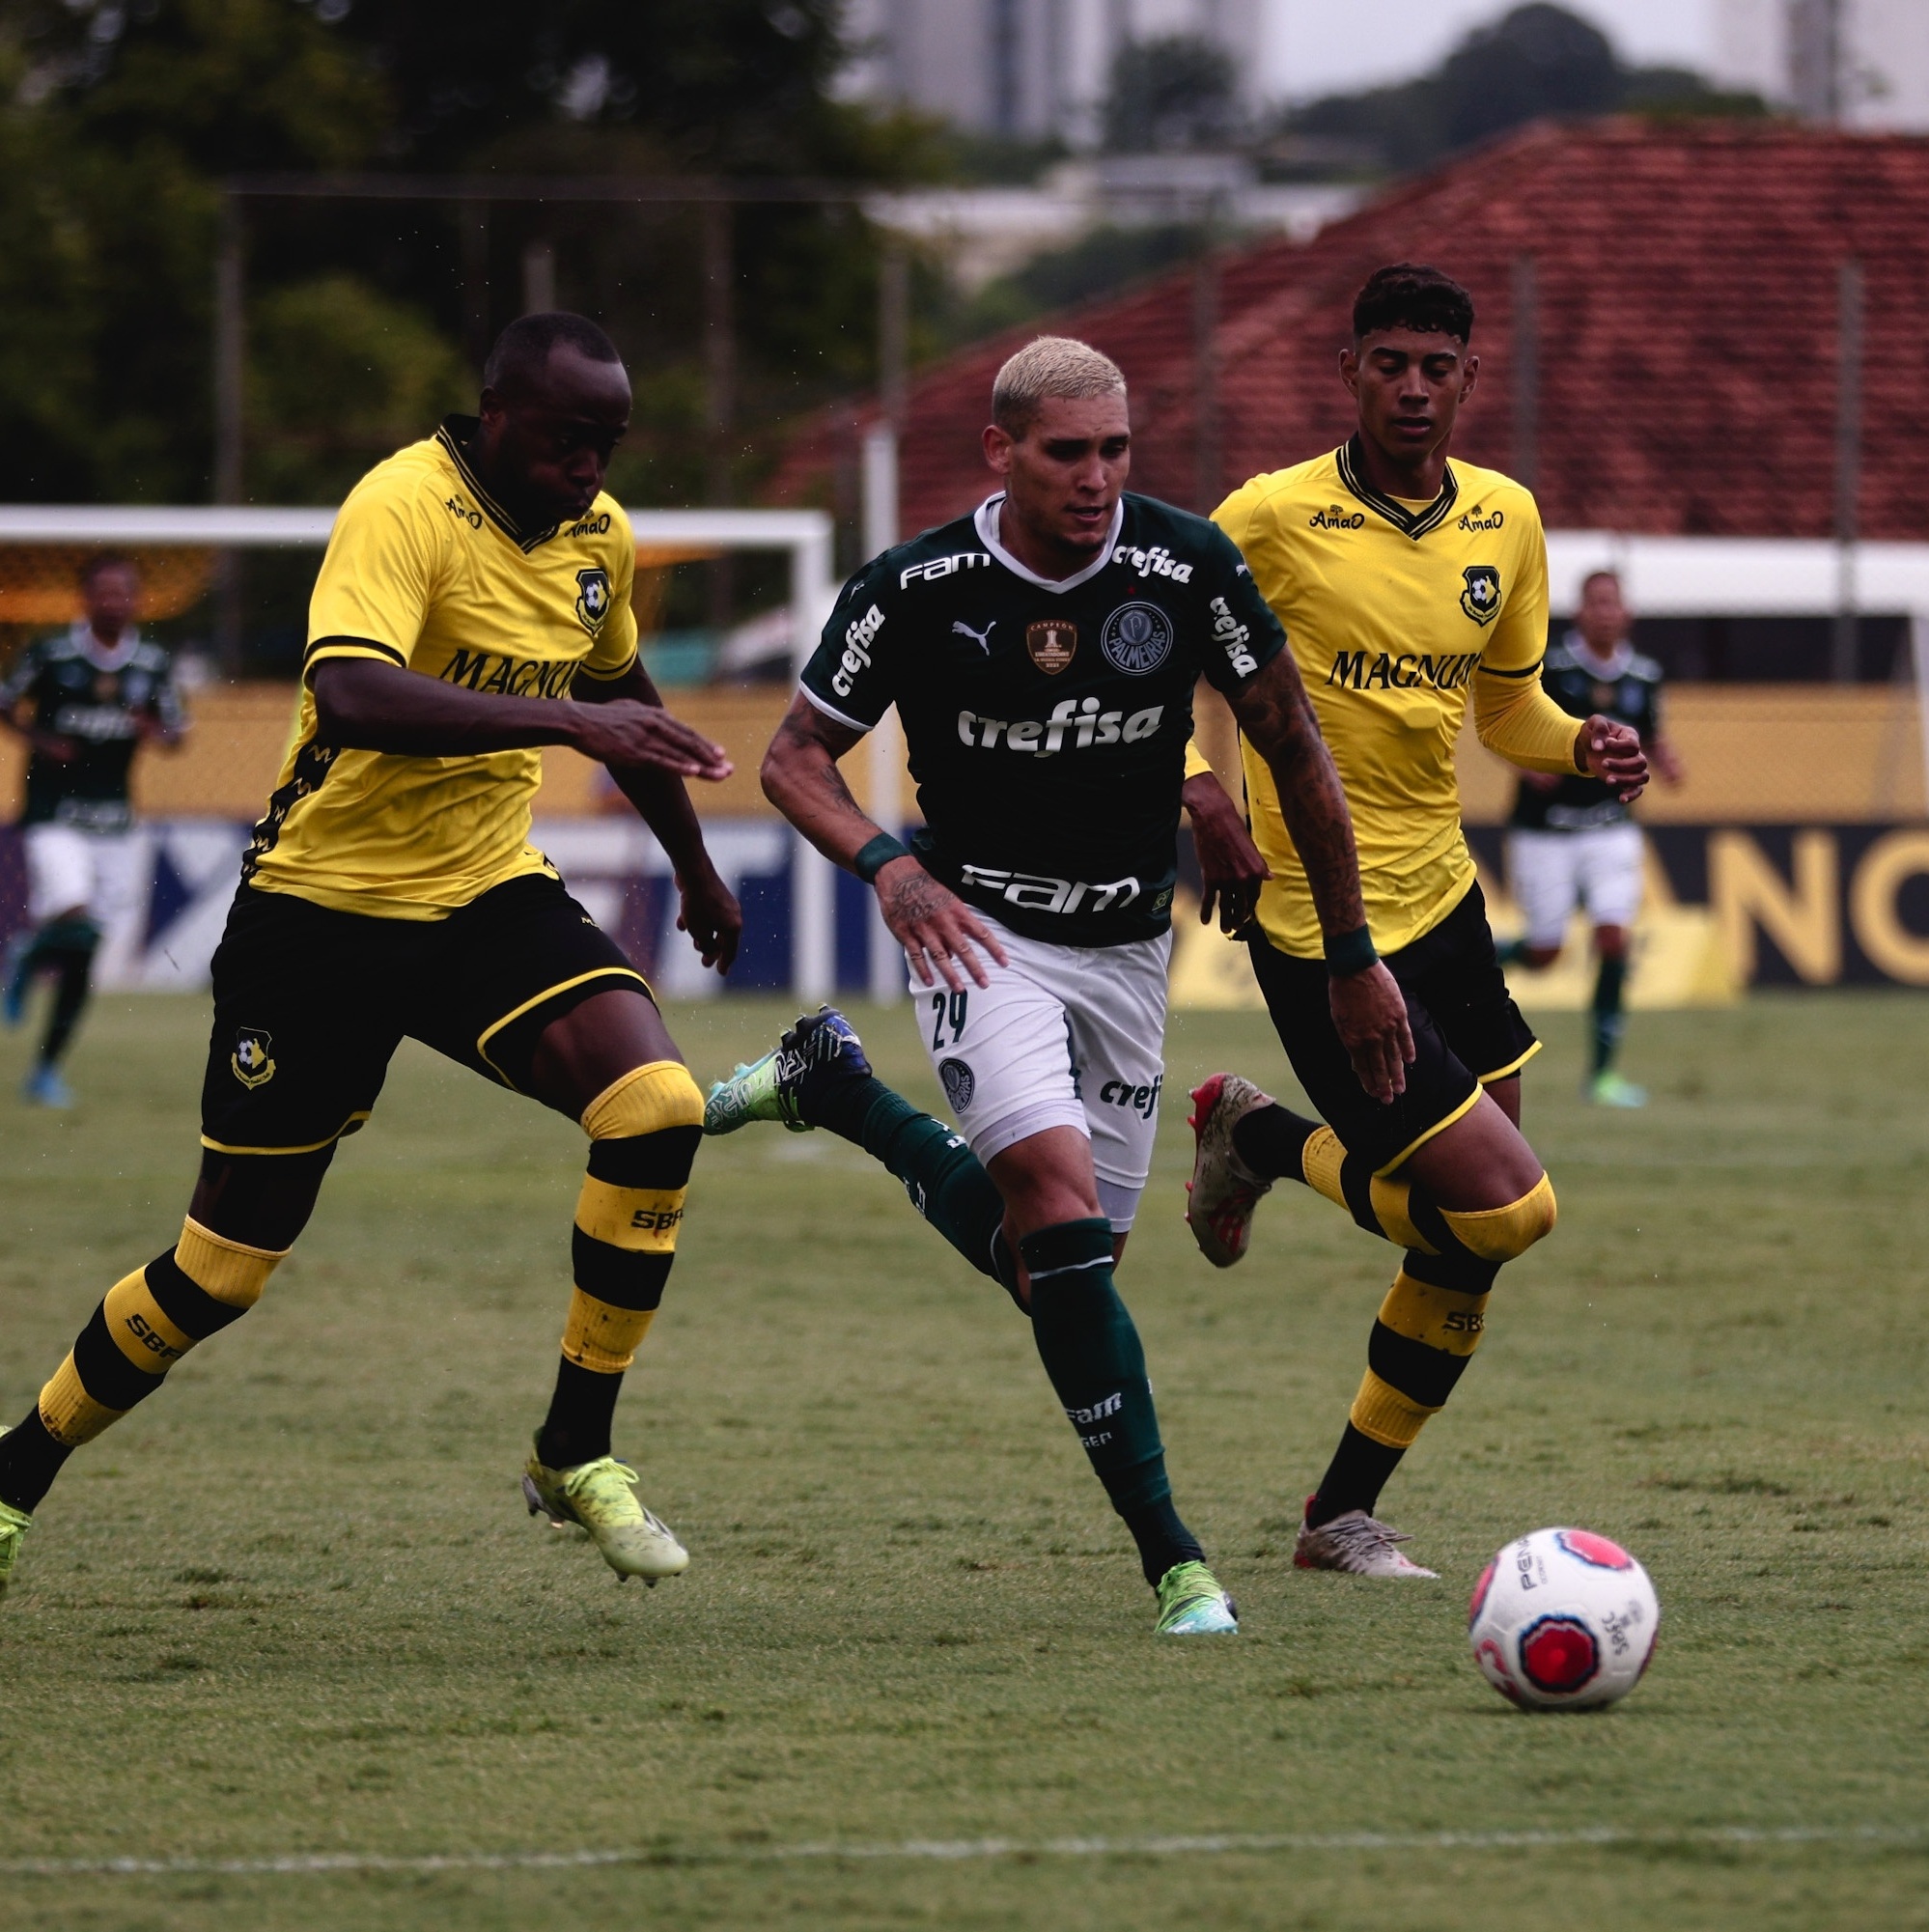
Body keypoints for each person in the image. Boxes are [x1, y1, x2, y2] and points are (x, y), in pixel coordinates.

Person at [0, 313, 744, 1600]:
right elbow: (352, 692)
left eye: (609, 443)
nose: (591, 467)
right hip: (318, 916)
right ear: (496, 413)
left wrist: (692, 863)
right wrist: (564, 718)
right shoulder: (401, 506)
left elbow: (632, 719)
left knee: (656, 1103)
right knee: (219, 1271)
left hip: (481, 895)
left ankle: (573, 1449)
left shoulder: (598, 542)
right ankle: (17, 1468)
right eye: (571, 440)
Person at [705, 336, 1409, 1636]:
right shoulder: (914, 586)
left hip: (1129, 949)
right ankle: (1175, 1562)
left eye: (1115, 450)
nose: (1095, 479)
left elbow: (1293, 745)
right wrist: (889, 872)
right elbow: (795, 759)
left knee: (1060, 1270)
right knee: (1060, 1224)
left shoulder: (1185, 566)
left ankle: (840, 1092)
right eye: (1066, 452)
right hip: (979, 937)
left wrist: (1347, 946)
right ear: (1001, 451)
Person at [1185, 265, 1648, 1578]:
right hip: (1318, 926)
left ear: (1466, 379)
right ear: (1348, 372)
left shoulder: (1505, 518)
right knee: (1504, 1209)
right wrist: (1199, 785)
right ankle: (1261, 1138)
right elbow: (1141, 649)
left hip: (1441, 898)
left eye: (1433, 366)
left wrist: (1582, 741)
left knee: (1465, 1242)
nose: (1409, 386)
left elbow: (1507, 712)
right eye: (1385, 361)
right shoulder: (1268, 516)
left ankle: (1338, 1514)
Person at [1, 555, 185, 1106]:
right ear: (85, 598)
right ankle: (29, 952)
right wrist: (41, 740)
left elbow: (176, 733)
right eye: (103, 593)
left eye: (124, 593)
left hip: (116, 822)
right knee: (75, 912)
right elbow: (6, 702)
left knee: (86, 951)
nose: (114, 602)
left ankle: (46, 1068)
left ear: (137, 600)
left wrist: (155, 730)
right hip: (54, 815)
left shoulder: (152, 663)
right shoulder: (52, 654)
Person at [1499, 569, 1681, 1106]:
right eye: (1595, 602)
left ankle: (1602, 1076)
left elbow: (1652, 734)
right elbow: (1507, 724)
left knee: (1613, 938)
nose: (1605, 611)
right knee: (1545, 952)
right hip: (1545, 830)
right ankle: (1455, 965)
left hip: (1610, 828)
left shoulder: (1645, 675)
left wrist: (1667, 761)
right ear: (1581, 612)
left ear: (1627, 613)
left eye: (1613, 602)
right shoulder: (1552, 667)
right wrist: (1526, 763)